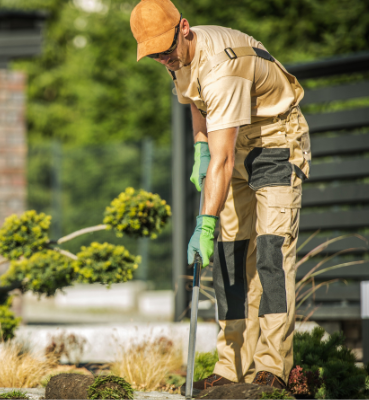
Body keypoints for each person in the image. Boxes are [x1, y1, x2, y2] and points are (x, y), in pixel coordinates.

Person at [129, 0, 311, 395]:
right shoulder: (178, 58)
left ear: (185, 28)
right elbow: (198, 103)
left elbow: (224, 158)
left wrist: (205, 222)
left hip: (275, 142)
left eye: (166, 50)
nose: (164, 59)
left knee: (270, 253)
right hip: (233, 143)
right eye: (155, 54)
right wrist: (200, 150)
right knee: (229, 256)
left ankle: (273, 367)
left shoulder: (221, 65)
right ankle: (231, 367)